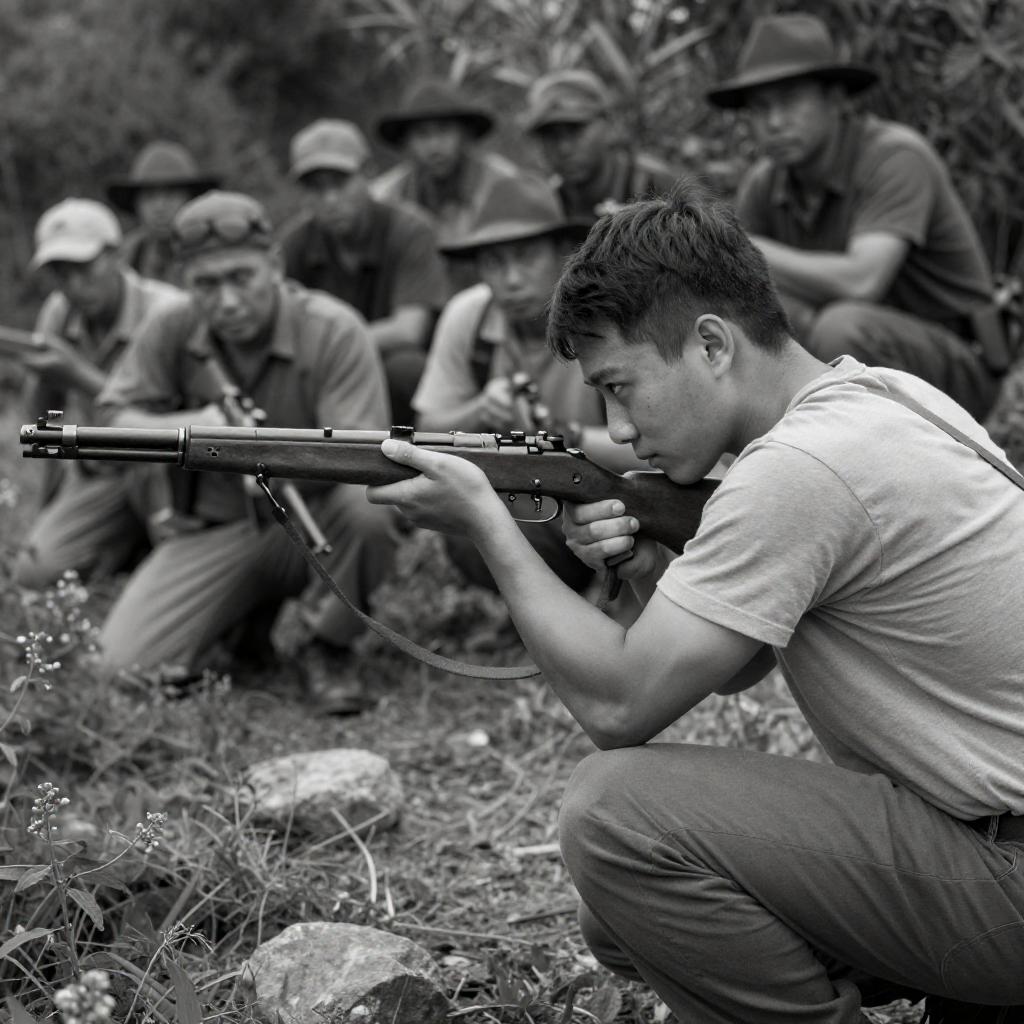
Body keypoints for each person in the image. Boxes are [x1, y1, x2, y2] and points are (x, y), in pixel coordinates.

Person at [363, 182, 1024, 1021]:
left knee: (614, 817)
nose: (618, 428)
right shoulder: (883, 395)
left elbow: (620, 707)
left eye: (621, 386)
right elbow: (741, 667)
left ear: (712, 344)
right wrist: (649, 569)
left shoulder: (799, 468)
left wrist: (487, 524)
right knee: (625, 918)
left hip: (1007, 864)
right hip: (988, 834)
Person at [96, 190, 397, 712]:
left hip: (311, 519)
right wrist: (194, 429)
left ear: (275, 265)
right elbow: (109, 419)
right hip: (219, 528)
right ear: (185, 282)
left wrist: (260, 455)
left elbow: (362, 455)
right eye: (207, 284)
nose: (228, 302)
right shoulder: (171, 326)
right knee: (122, 667)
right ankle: (242, 622)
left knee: (368, 512)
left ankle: (328, 644)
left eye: (242, 277)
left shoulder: (334, 329)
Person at [707, 12, 1003, 420]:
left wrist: (739, 245)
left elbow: (862, 280)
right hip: (853, 357)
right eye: (760, 108)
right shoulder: (765, 183)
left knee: (841, 328)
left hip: (954, 364)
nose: (774, 122)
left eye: (790, 102)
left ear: (836, 99)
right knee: (734, 321)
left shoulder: (895, 157)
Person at [412, 173, 635, 593]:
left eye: (526, 257)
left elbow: (657, 451)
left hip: (611, 500)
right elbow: (427, 429)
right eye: (494, 263)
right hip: (522, 494)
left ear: (563, 255)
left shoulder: (611, 319)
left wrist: (563, 439)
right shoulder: (468, 317)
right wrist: (480, 411)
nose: (511, 279)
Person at [14, 198, 183, 589]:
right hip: (101, 473)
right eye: (61, 273)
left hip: (169, 475)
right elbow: (41, 427)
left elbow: (176, 422)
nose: (75, 286)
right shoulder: (59, 313)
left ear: (117, 255)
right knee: (34, 570)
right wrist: (43, 379)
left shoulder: (167, 311)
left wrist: (76, 374)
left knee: (172, 575)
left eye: (85, 268)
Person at [278, 119, 449, 427]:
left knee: (406, 368)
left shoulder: (410, 230)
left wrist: (335, 346)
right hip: (324, 370)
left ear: (368, 174)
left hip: (387, 368)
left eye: (340, 183)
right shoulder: (295, 244)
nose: (330, 200)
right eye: (316, 188)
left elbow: (409, 330)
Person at [371, 77, 520, 254]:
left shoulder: (503, 183)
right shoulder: (387, 196)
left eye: (444, 130)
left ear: (463, 134)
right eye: (422, 134)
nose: (434, 146)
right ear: (408, 142)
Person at [521, 69, 677, 224]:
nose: (564, 148)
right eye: (550, 135)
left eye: (575, 130)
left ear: (609, 124)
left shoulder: (656, 187)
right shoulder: (549, 203)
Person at [107, 140, 219, 285]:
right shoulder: (125, 257)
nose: (159, 207)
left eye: (171, 195)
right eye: (149, 196)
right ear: (136, 204)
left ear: (191, 200)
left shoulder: (219, 250)